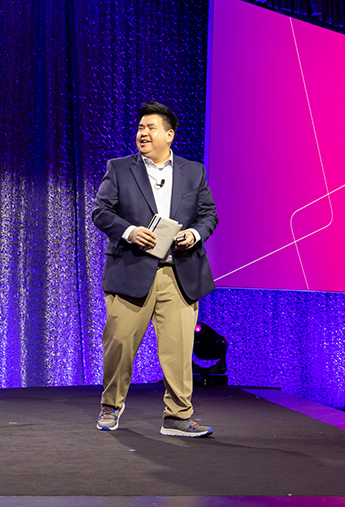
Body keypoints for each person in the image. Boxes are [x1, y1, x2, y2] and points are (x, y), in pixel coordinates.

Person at [91, 101, 219, 437]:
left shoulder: (194, 172)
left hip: (178, 274)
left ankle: (178, 416)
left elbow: (209, 215)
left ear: (169, 135)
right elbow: (101, 212)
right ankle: (111, 405)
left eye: (150, 128)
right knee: (119, 342)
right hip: (131, 271)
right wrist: (130, 231)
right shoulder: (119, 169)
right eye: (140, 128)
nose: (143, 134)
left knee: (178, 350)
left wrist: (194, 234)